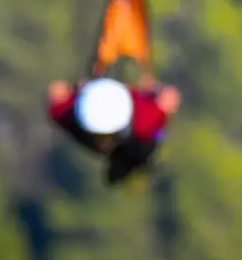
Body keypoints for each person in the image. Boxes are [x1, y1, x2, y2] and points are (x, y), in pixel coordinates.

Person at [48, 75, 181, 185]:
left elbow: (57, 97)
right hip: (134, 148)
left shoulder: (71, 113)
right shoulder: (146, 120)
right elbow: (166, 103)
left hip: (128, 148)